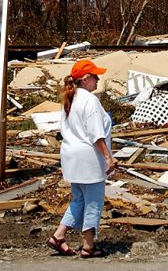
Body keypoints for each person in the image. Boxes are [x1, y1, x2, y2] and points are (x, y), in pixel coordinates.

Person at [47, 60, 115, 259]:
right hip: (89, 158)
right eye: (95, 76)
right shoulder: (89, 100)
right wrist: (108, 157)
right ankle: (88, 246)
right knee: (94, 201)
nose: (98, 80)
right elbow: (96, 134)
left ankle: (59, 236)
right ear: (85, 79)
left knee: (79, 199)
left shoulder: (70, 98)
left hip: (70, 156)